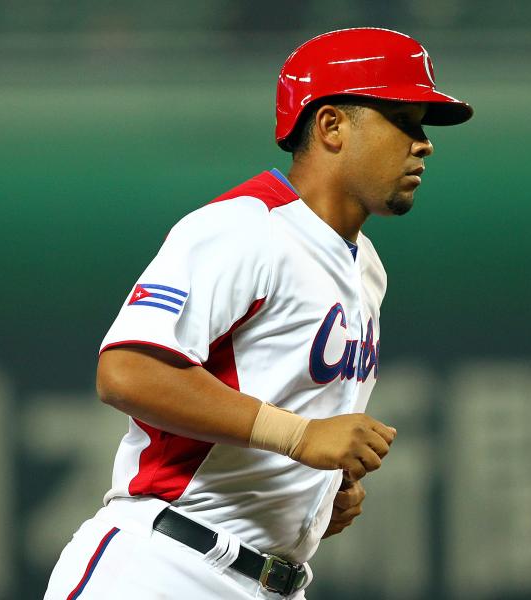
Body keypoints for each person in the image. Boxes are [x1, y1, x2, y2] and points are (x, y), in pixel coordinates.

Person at [44, 27, 472, 599]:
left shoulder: (367, 267)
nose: (423, 144)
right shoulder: (246, 227)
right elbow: (126, 371)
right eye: (403, 119)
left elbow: (286, 419)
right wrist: (299, 438)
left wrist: (313, 498)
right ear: (331, 125)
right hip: (166, 568)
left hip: (270, 580)